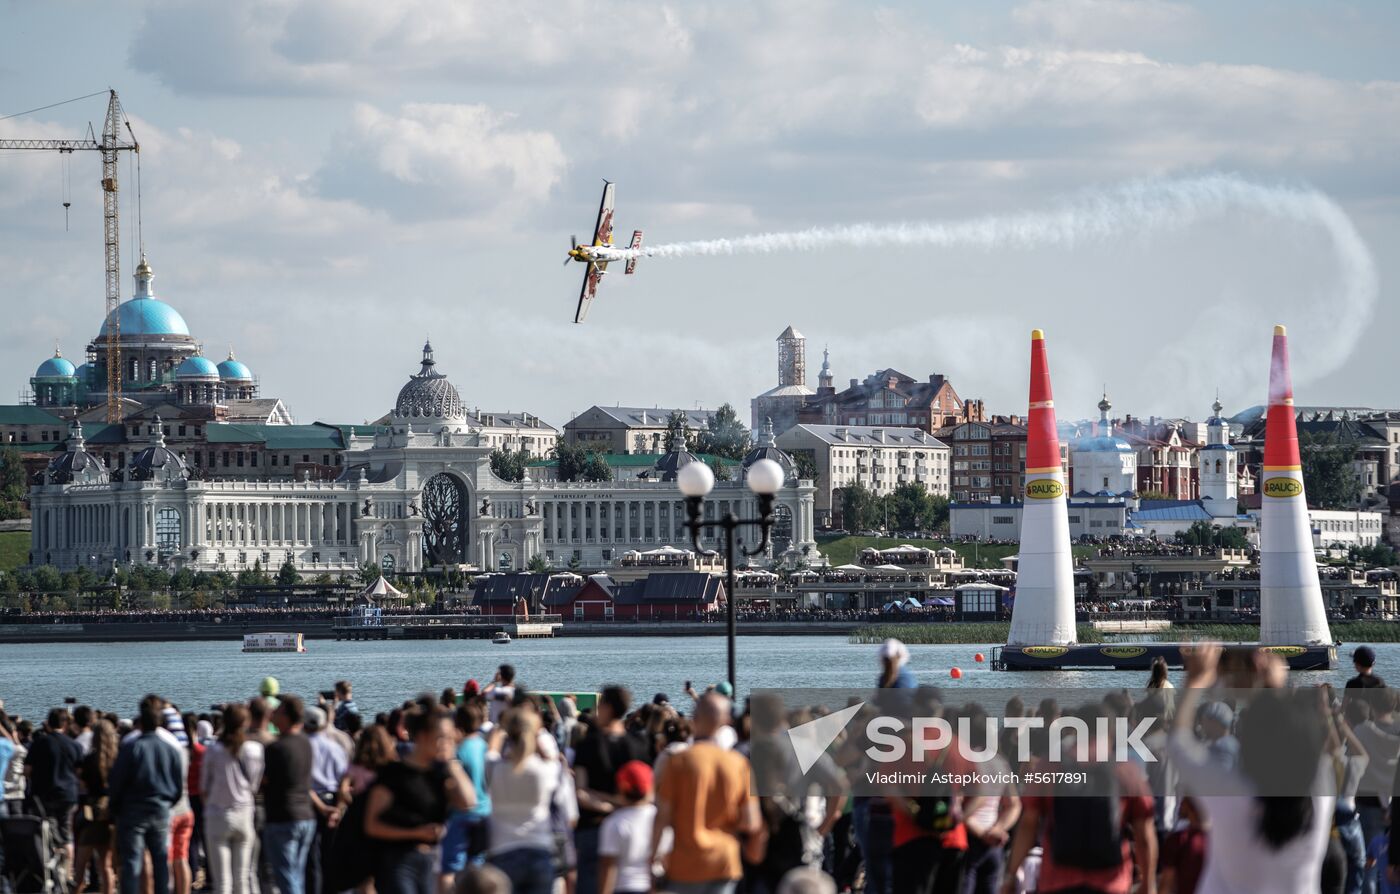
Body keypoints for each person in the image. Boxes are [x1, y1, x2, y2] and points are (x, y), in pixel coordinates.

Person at [1167, 643, 1334, 894]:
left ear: (1246, 744)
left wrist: (1195, 680)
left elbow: (1179, 743)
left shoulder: (1228, 793)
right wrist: (1275, 686)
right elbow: (1303, 740)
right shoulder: (1320, 794)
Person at [653, 693, 763, 894]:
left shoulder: (678, 762)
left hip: (685, 861)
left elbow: (662, 816)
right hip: (724, 861)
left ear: (694, 719)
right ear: (726, 722)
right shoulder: (738, 764)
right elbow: (751, 822)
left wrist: (651, 858)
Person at [363, 706, 475, 894]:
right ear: (423, 736)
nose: (447, 743)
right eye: (442, 737)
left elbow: (468, 802)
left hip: (431, 860)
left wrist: (451, 762)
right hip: (398, 861)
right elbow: (372, 825)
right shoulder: (394, 774)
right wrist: (415, 833)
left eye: (450, 738)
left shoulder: (440, 774)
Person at [574, 686, 650, 894]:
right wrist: (622, 805)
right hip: (632, 826)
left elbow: (580, 792)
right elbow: (647, 790)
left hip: (594, 826)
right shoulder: (638, 745)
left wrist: (608, 805)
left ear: (606, 707)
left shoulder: (588, 745)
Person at [109, 695, 184, 894]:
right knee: (161, 861)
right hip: (161, 808)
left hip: (133, 810)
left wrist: (115, 808)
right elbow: (177, 785)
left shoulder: (132, 747)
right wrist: (168, 803)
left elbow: (117, 782)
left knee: (132, 863)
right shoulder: (170, 748)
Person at [483, 707, 560, 894]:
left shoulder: (494, 769)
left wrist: (500, 731)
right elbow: (553, 760)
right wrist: (537, 737)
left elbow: (490, 752)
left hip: (502, 851)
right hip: (539, 850)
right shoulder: (545, 771)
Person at [202, 704, 265, 894]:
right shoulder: (255, 750)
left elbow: (204, 787)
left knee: (223, 883)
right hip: (245, 813)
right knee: (242, 879)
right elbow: (254, 785)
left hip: (218, 814)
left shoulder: (213, 750)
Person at [262, 695, 316, 894]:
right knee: (297, 875)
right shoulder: (306, 743)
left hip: (282, 817)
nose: (272, 713)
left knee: (285, 877)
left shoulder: (276, 748)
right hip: (306, 816)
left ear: (285, 716)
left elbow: (265, 781)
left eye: (277, 710)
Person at [26, 707, 85, 867]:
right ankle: (67, 871)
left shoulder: (40, 743)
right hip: (68, 795)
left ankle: (51, 868)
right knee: (67, 834)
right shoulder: (74, 745)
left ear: (48, 724)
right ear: (65, 724)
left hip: (45, 795)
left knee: (48, 831)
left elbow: (28, 770)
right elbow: (79, 772)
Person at [442, 701, 492, 887]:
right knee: (477, 866)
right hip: (485, 811)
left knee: (450, 868)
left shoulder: (459, 751)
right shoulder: (484, 746)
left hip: (462, 814)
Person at [599, 760, 668, 894]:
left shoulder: (614, 823)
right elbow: (667, 860)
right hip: (656, 887)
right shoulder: (660, 819)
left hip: (624, 887)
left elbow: (608, 866)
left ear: (620, 789)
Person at [305, 705, 348, 894]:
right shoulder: (335, 747)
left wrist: (320, 807)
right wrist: (338, 808)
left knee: (312, 858)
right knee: (331, 855)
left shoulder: (303, 747)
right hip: (333, 801)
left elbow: (302, 782)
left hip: (312, 802)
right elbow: (345, 781)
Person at [74, 718, 120, 894]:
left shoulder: (89, 760)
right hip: (110, 813)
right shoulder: (118, 759)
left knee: (80, 865)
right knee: (106, 865)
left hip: (92, 812)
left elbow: (82, 783)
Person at [1158, 798, 1207, 894]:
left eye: (1184, 799)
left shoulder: (1179, 840)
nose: (1180, 803)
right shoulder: (1222, 841)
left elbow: (1166, 886)